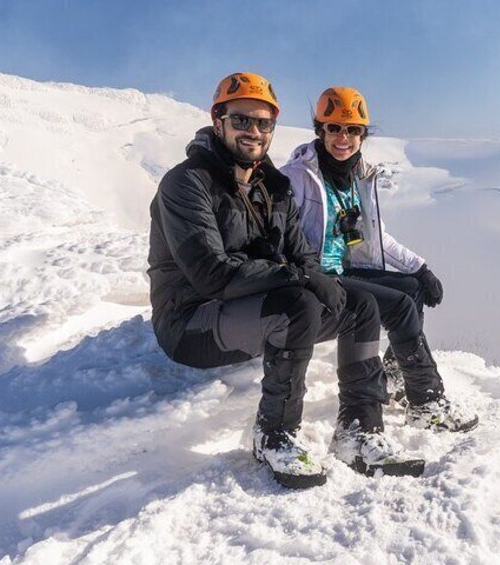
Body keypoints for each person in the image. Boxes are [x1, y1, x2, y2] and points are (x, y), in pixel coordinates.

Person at [147, 73, 424, 489]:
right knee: (298, 303)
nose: (254, 132)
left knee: (360, 305)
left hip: (248, 309)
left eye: (264, 123)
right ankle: (274, 433)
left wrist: (318, 277)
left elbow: (303, 255)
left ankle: (358, 429)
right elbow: (211, 274)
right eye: (242, 120)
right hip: (191, 322)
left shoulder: (272, 187)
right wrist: (299, 277)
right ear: (217, 119)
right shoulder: (187, 184)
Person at [280, 87, 478, 433]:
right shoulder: (297, 178)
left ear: (362, 135)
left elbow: (376, 238)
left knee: (411, 288)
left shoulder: (361, 177)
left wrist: (420, 268)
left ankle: (397, 377)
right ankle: (426, 401)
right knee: (400, 305)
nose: (343, 138)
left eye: (353, 130)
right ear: (320, 131)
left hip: (344, 269)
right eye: (334, 128)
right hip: (316, 277)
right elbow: (281, 237)